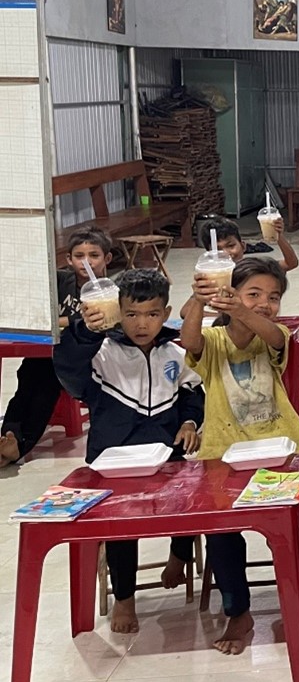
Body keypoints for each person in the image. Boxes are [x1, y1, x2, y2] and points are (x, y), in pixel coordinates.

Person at [52, 269, 203, 634]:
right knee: (121, 526)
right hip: (115, 458)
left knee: (190, 500)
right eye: (131, 314)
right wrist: (87, 333)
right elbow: (70, 373)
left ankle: (179, 557)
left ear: (165, 312)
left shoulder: (174, 349)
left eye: (152, 314)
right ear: (118, 312)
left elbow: (192, 391)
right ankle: (124, 597)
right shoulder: (101, 351)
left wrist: (190, 423)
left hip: (168, 450)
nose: (142, 324)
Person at [181, 256, 299, 654]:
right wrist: (198, 299)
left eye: (273, 297)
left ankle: (295, 600)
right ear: (230, 292)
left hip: (280, 447)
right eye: (253, 293)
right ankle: (237, 610)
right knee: (222, 531)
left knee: (290, 527)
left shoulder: (276, 337)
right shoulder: (215, 341)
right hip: (225, 451)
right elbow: (190, 342)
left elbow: (271, 335)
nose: (264, 303)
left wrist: (242, 309)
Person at [0, 227, 109, 467]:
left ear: (107, 258)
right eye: (79, 256)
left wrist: (63, 323)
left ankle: (19, 445)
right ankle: (8, 436)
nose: (86, 261)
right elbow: (40, 315)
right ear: (69, 259)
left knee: (46, 386)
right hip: (50, 351)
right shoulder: (60, 281)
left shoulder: (110, 288)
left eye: (94, 255)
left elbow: (101, 323)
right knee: (28, 378)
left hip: (86, 356)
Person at [197, 215, 299, 273]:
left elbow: (290, 263)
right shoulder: (210, 276)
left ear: (243, 246)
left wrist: (279, 236)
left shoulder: (254, 268)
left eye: (231, 246)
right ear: (209, 254)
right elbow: (186, 311)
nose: (226, 253)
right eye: (218, 249)